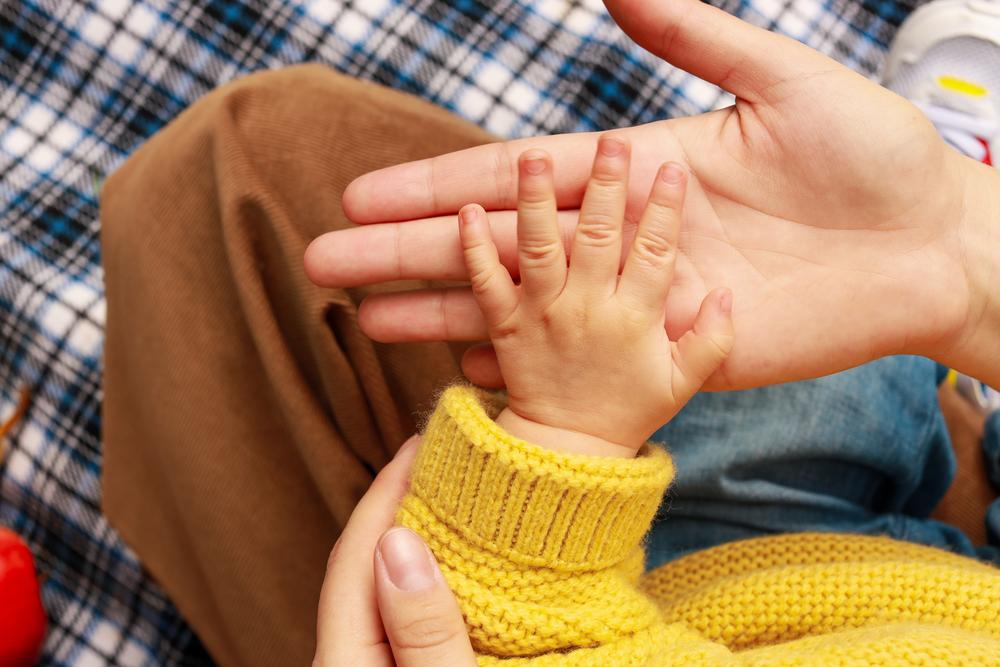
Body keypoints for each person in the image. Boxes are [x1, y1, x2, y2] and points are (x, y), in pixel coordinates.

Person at [97, 0, 1000, 664]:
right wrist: (963, 250)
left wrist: (567, 435)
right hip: (921, 603)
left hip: (697, 609)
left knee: (230, 174)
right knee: (810, 351)